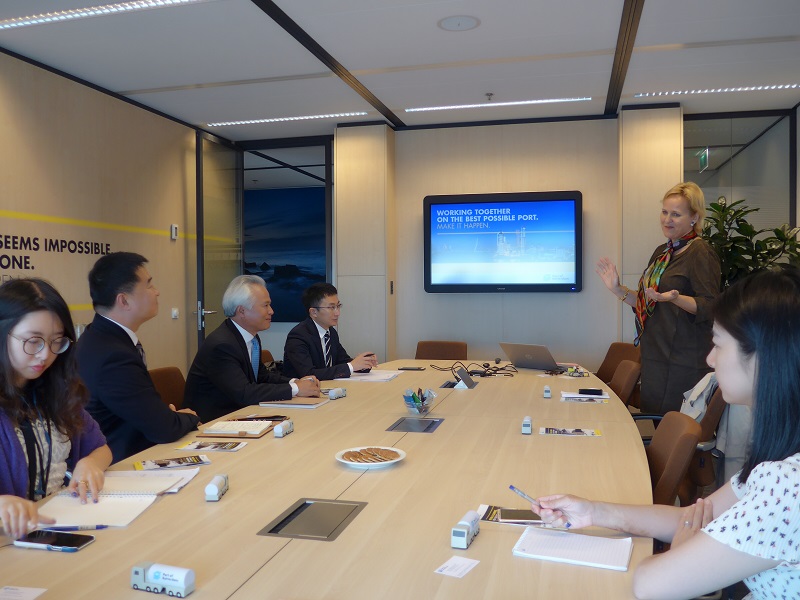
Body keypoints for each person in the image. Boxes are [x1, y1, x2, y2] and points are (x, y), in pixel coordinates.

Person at [534, 268, 800, 599]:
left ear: (765, 357)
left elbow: (651, 585)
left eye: (718, 344)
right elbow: (687, 519)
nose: (710, 358)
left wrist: (681, 550)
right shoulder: (783, 466)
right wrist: (593, 511)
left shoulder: (788, 485)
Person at [0, 278, 112, 539]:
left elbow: (100, 447)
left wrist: (89, 463)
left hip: (51, 531)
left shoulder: (50, 391)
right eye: (33, 341)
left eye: (56, 342)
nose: (45, 355)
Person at [596, 182, 721, 413]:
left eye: (676, 214)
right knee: (654, 424)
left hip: (683, 364)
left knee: (673, 435)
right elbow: (647, 302)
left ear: (694, 217)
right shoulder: (662, 253)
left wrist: (675, 298)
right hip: (655, 358)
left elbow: (710, 306)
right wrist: (616, 289)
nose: (667, 219)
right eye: (664, 212)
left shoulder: (700, 252)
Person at [76, 252, 199, 463]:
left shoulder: (100, 337)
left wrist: (165, 416)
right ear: (124, 300)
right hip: (121, 465)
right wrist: (189, 417)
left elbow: (148, 413)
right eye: (149, 285)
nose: (157, 292)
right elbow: (164, 429)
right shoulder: (113, 356)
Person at [183, 275, 320, 422]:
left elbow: (262, 377)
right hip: (212, 422)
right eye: (265, 305)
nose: (271, 311)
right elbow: (244, 393)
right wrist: (296, 389)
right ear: (242, 311)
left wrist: (296, 381)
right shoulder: (222, 345)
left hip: (241, 414)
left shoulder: (251, 338)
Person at [282, 283, 378, 380]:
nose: (337, 313)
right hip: (302, 393)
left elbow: (343, 361)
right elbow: (308, 374)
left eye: (338, 306)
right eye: (331, 307)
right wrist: (352, 366)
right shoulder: (298, 336)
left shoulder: (331, 332)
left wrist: (363, 364)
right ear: (313, 312)